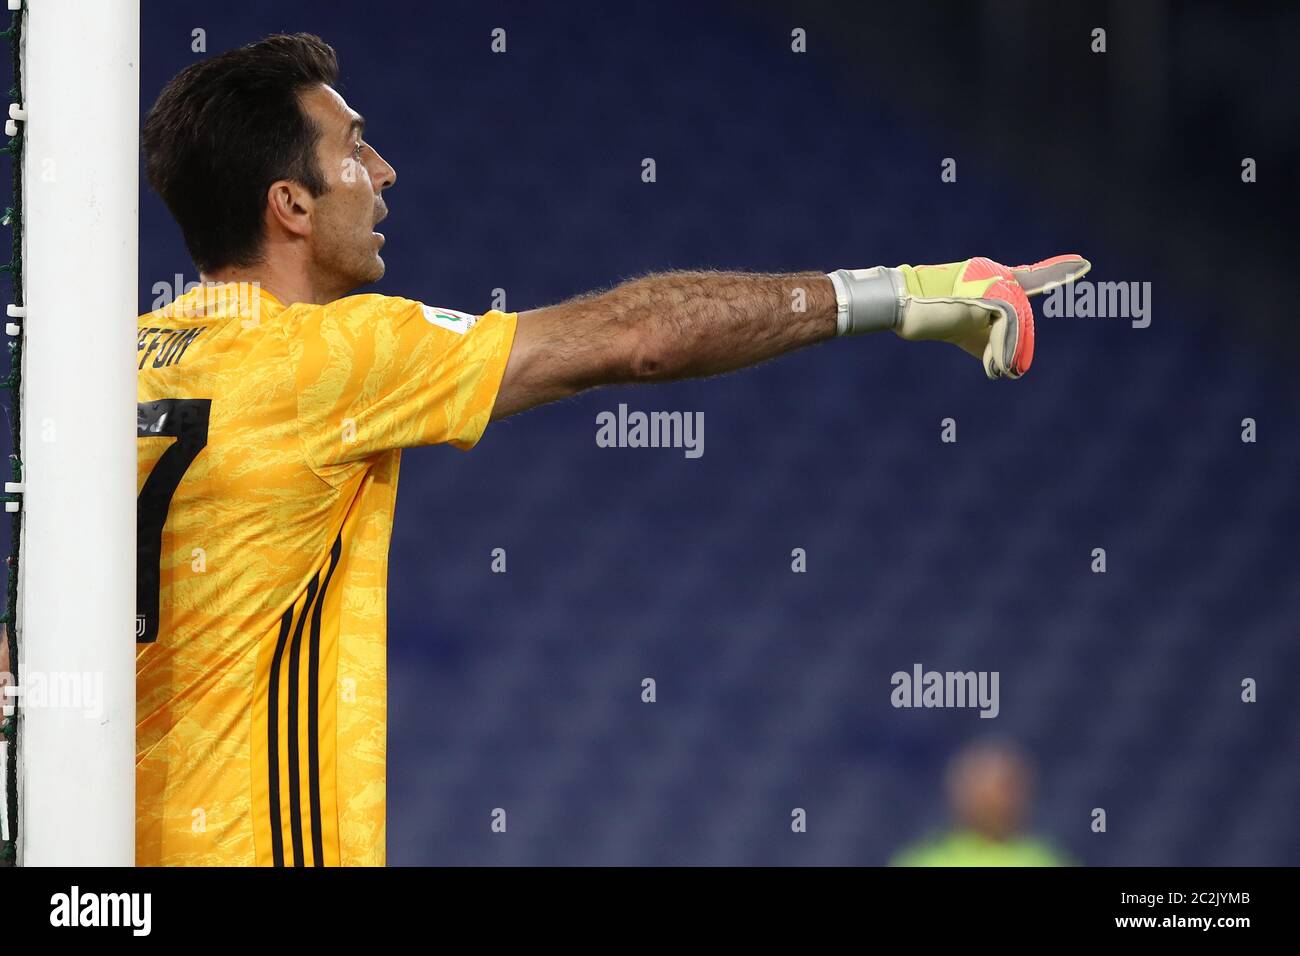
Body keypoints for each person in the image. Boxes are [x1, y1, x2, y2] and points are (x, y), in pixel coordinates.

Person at [132, 33, 1089, 865]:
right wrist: (904, 291)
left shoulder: (115, 365)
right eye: (354, 147)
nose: (384, 171)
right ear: (290, 206)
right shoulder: (331, 355)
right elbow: (639, 336)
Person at [891, 738, 1073, 866]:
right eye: (987, 792)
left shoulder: (1045, 861)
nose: (1000, 802)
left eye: (1008, 788)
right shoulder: (924, 862)